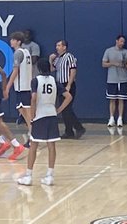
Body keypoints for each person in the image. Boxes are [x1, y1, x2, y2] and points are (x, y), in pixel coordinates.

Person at [17, 54, 69, 187]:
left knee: (33, 145)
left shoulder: (35, 81)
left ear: (39, 68)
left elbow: (33, 98)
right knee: (52, 145)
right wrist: (59, 110)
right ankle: (49, 175)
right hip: (52, 114)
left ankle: (28, 176)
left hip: (40, 115)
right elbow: (68, 96)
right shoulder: (54, 81)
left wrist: (32, 113)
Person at [53, 38, 84, 138]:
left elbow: (73, 70)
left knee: (67, 108)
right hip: (60, 85)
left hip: (67, 83)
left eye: (58, 45)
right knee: (65, 110)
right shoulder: (58, 59)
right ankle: (69, 131)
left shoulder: (69, 56)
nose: (56, 47)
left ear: (64, 47)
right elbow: (52, 68)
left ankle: (79, 128)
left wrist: (69, 84)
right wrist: (50, 60)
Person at [5, 31, 33, 138]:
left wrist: (8, 87)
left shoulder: (18, 53)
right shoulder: (26, 52)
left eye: (13, 40)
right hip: (26, 84)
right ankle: (31, 130)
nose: (11, 41)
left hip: (22, 86)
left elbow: (15, 71)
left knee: (26, 110)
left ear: (18, 41)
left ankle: (33, 132)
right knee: (21, 109)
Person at [102, 34, 127, 130]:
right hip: (112, 79)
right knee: (112, 99)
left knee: (121, 99)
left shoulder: (126, 52)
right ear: (117, 41)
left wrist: (123, 65)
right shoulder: (108, 51)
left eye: (123, 42)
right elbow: (103, 64)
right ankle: (111, 118)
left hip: (123, 79)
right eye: (121, 41)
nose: (122, 43)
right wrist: (113, 63)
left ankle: (120, 118)